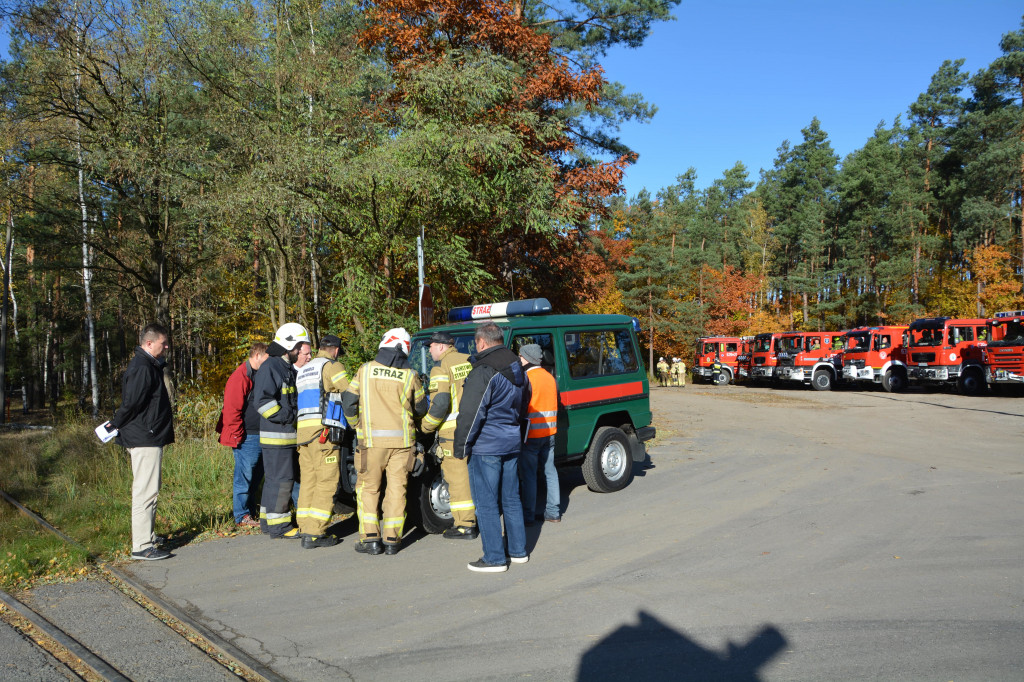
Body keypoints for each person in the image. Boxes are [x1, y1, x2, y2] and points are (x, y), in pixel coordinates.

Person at [342, 328, 428, 556]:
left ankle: (370, 539)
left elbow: (349, 400)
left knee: (368, 489)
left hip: (371, 443)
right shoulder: (411, 374)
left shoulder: (366, 370)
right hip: (403, 445)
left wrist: (355, 424)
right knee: (396, 490)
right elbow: (421, 408)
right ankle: (392, 539)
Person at [455, 322, 531, 573]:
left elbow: (470, 413)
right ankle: (518, 551)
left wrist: (461, 446)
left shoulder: (484, 370)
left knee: (486, 503)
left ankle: (495, 558)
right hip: (511, 440)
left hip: (487, 445)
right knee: (511, 498)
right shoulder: (518, 367)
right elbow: (525, 402)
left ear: (482, 342)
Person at [109, 323, 174, 561]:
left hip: (149, 434)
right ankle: (141, 545)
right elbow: (131, 404)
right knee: (145, 492)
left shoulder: (149, 365)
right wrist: (114, 425)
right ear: (149, 343)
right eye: (163, 343)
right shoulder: (142, 367)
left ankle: (149, 536)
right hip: (144, 436)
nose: (166, 346)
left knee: (150, 490)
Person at [253, 322, 310, 539]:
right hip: (278, 436)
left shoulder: (282, 367)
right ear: (290, 346)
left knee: (275, 481)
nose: (302, 351)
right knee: (283, 480)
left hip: (281, 437)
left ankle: (269, 523)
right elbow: (262, 401)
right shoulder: (273, 367)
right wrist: (288, 417)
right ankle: (281, 527)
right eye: (300, 347)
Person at [293, 334, 350, 549]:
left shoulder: (305, 369)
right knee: (326, 481)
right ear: (335, 350)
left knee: (309, 481)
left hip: (304, 435)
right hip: (323, 434)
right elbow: (349, 393)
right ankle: (316, 533)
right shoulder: (331, 366)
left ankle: (305, 526)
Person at [420, 331, 478, 539]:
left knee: (457, 478)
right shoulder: (470, 360)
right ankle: (477, 516)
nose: (429, 349)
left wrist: (426, 427)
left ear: (442, 346)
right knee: (474, 476)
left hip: (453, 432)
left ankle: (465, 525)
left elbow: (441, 404)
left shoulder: (441, 368)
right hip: (477, 428)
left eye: (432, 346)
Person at [217, 342, 269, 527]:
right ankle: (241, 516)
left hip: (261, 434)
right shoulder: (240, 377)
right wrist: (239, 436)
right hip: (247, 436)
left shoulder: (258, 375)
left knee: (256, 477)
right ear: (257, 356)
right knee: (244, 477)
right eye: (266, 359)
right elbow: (231, 411)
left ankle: (251, 512)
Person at [517, 344, 560, 525]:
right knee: (550, 471)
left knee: (529, 476)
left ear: (527, 358)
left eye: (520, 356)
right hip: (550, 433)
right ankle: (554, 512)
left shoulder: (526, 378)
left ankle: (528, 515)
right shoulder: (549, 377)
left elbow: (521, 405)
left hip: (532, 435)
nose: (519, 359)